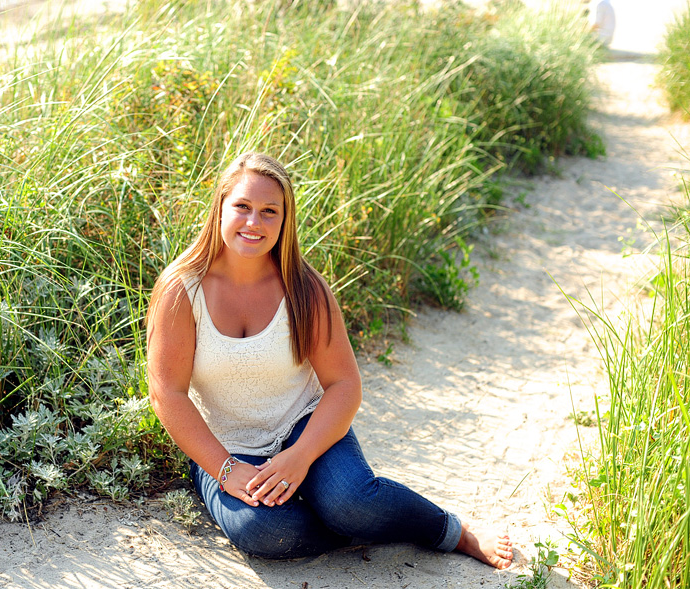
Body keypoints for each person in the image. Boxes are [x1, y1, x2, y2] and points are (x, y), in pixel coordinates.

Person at [146, 151, 513, 567]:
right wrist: (226, 470)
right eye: (243, 207)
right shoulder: (181, 290)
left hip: (303, 427)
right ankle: (354, 526)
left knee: (352, 500)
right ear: (220, 208)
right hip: (228, 448)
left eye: (269, 212)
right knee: (262, 530)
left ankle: (451, 531)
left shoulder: (304, 288)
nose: (254, 222)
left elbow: (344, 385)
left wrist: (300, 457)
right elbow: (167, 394)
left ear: (285, 221)